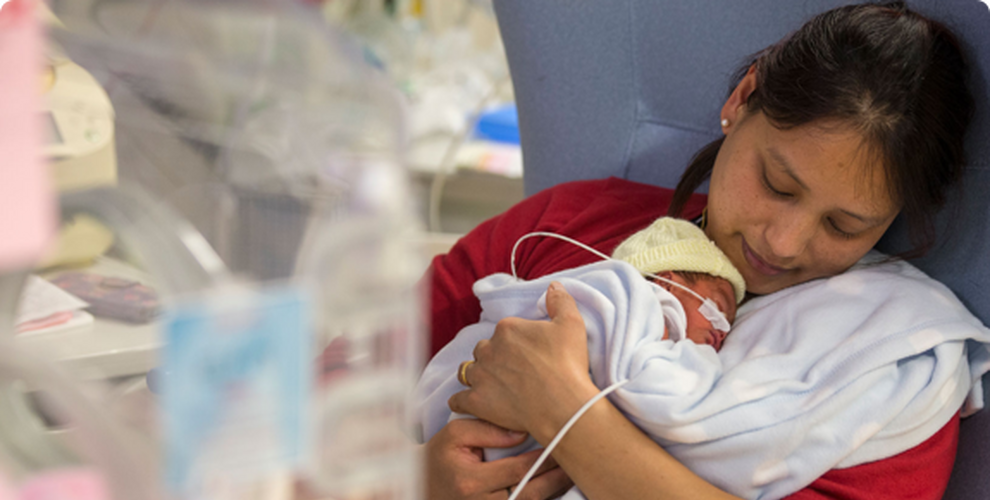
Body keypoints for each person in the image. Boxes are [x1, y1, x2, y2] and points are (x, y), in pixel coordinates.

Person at [425, 3, 980, 500]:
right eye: (777, 184)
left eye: (842, 226)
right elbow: (354, 372)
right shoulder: (567, 223)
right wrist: (412, 478)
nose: (782, 243)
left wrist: (565, 409)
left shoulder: (893, 361)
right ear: (741, 101)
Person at [415, 218, 744, 477]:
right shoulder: (638, 302)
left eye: (728, 321)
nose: (721, 330)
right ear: (666, 281)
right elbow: (660, 389)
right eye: (716, 307)